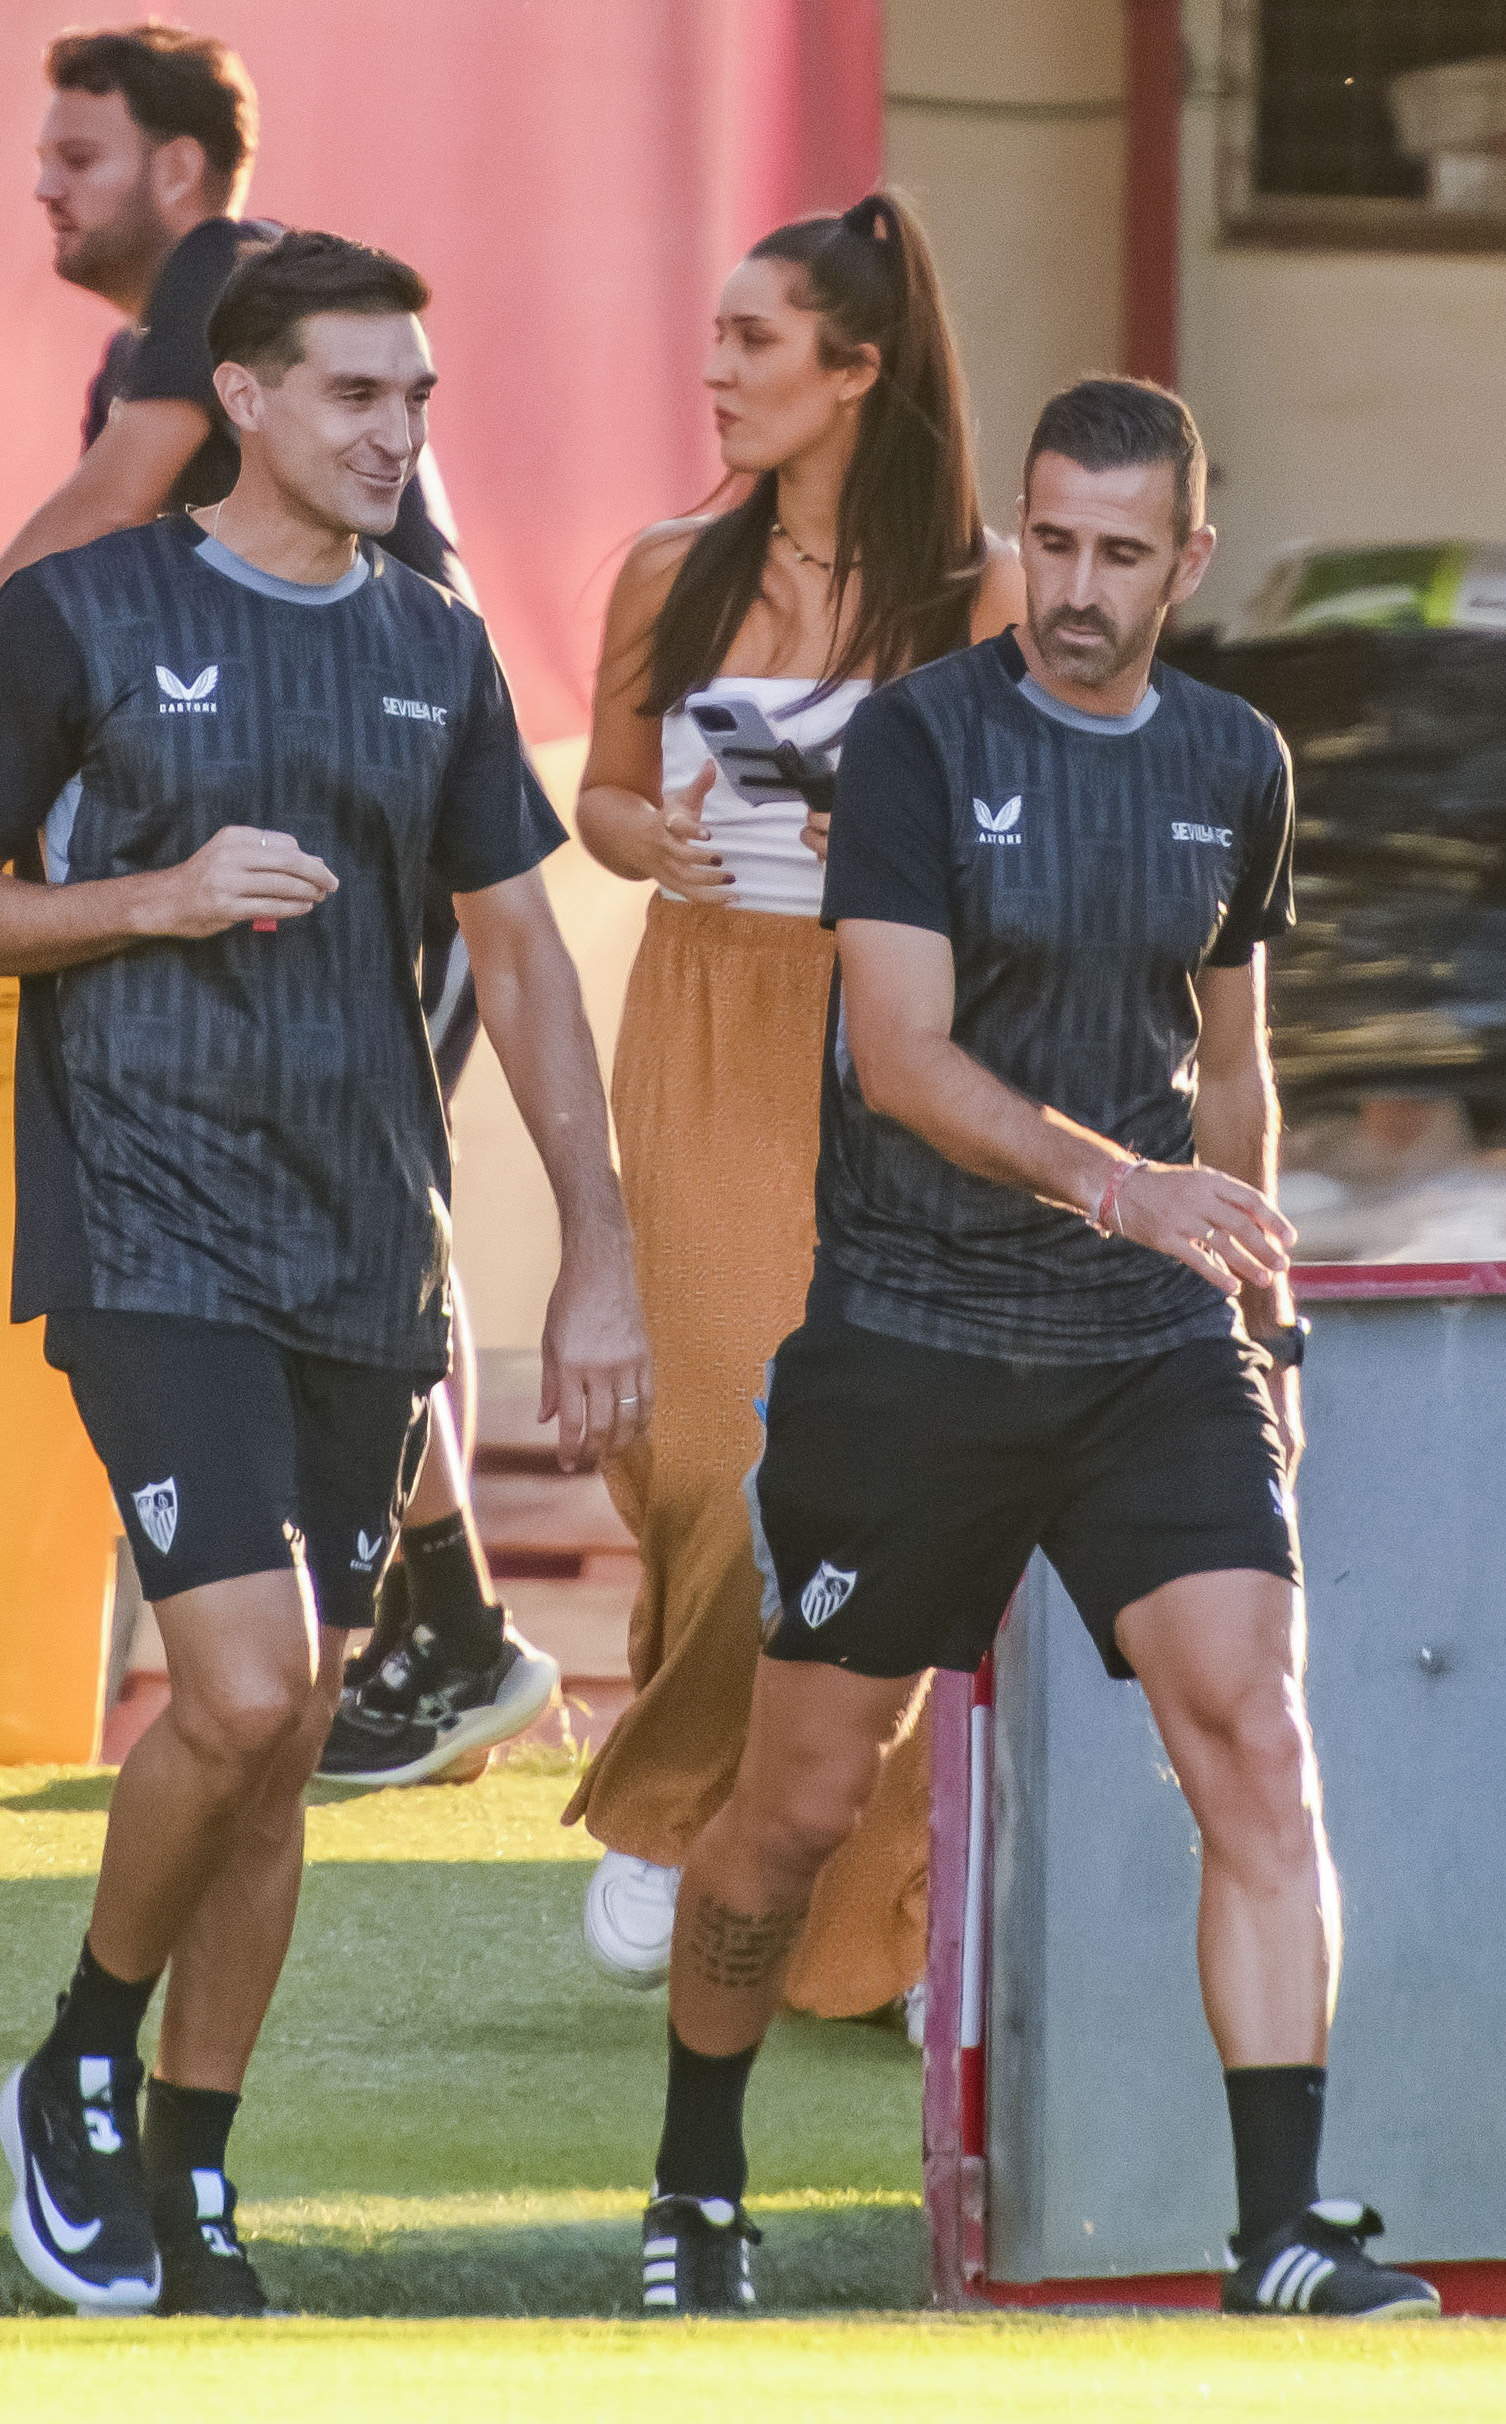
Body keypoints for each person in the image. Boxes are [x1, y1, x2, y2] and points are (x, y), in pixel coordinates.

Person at [0, 231, 648, 2317]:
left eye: (415, 397)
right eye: (352, 395)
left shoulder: (438, 647)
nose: (397, 433)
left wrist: (593, 1253)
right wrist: (153, 897)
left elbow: (521, 964)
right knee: (235, 1678)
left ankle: (199, 2168)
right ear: (241, 400)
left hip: (360, 1252)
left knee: (293, 1719)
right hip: (143, 1231)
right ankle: (79, 2059)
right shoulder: (81, 615)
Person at [633, 379, 1439, 2324]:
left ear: (1186, 560)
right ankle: (691, 2185)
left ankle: (1275, 2233)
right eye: (1046, 541)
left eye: (1116, 553)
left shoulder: (1236, 759)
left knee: (1253, 1736)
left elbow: (1231, 1075)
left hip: (1144, 1345)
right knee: (795, 1810)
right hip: (908, 1341)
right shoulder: (919, 741)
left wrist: (1265, 1328)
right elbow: (898, 1062)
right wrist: (1125, 1190)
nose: (1072, 588)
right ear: (1016, 531)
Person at [0, 23, 548, 1785]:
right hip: (267, 841)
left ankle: (449, 1635)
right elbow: (88, 601)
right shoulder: (173, 376)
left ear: (177, 171)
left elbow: (88, 516)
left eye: (75, 155)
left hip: (380, 833)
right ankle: (437, 1635)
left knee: (365, 1212)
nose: (42, 186)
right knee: (318, 1219)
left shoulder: (231, 283)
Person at [555, 193, 1021, 2019]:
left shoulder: (975, 593)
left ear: (859, 371)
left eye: (756, 342)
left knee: (871, 1465)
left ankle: (885, 1912)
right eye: (719, 337)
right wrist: (645, 834)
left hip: (894, 1037)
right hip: (708, 1015)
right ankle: (677, 1808)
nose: (717, 371)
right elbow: (595, 796)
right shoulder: (669, 569)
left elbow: (1017, 837)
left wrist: (890, 849)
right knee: (702, 1457)